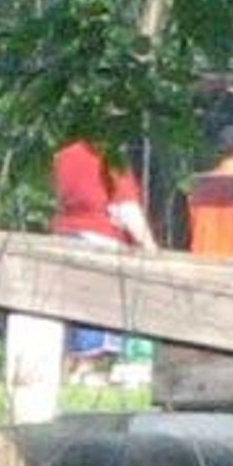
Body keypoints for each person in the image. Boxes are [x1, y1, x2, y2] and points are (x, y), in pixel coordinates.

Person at [50, 139, 155, 384]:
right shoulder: (109, 155)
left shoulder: (63, 156)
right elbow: (127, 208)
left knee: (72, 303)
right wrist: (149, 245)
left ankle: (74, 366)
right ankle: (89, 365)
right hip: (99, 237)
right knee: (98, 305)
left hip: (65, 236)